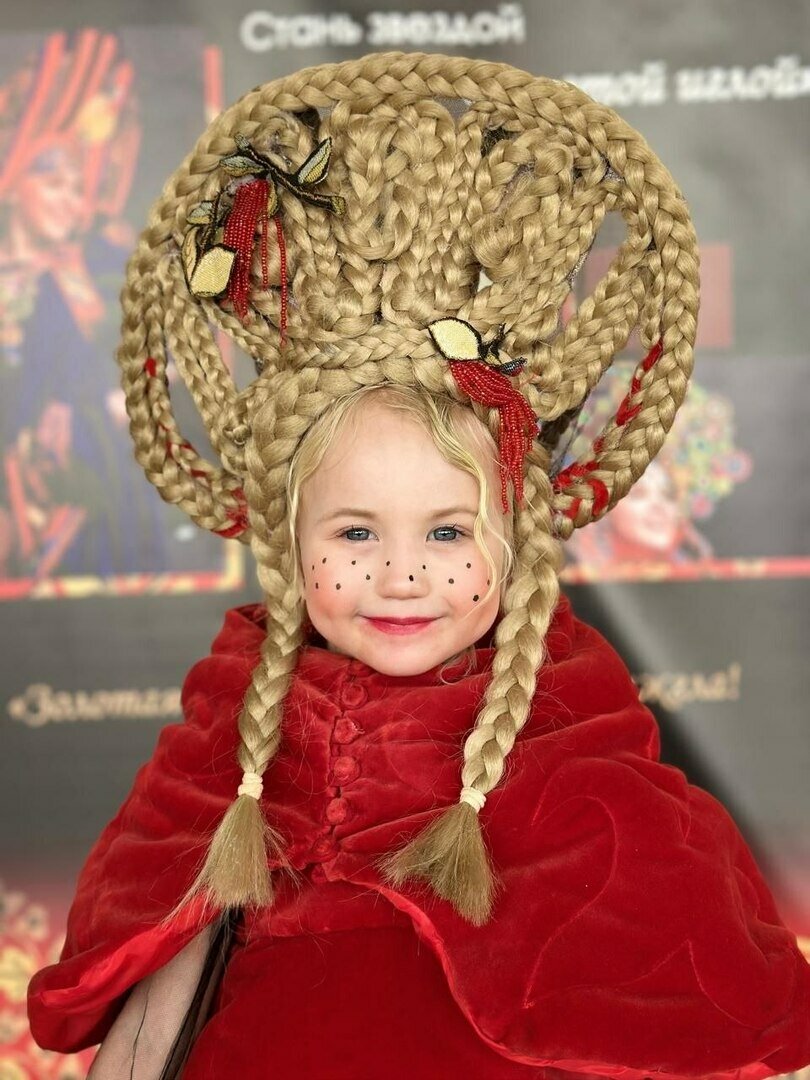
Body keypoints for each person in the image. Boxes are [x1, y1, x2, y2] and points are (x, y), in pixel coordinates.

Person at [27, 51, 810, 1079]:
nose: (402, 575)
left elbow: (676, 981)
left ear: (511, 540)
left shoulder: (572, 723)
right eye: (356, 535)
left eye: (447, 534)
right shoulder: (240, 714)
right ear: (290, 541)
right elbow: (155, 959)